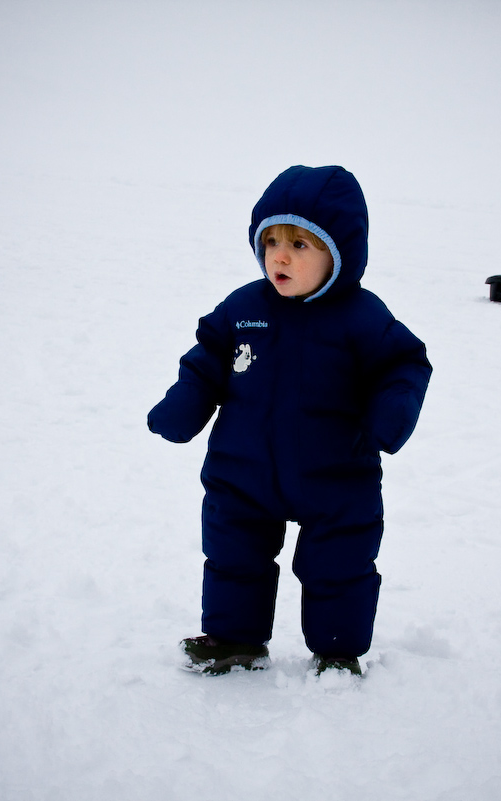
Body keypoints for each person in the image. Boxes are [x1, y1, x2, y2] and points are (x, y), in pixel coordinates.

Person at [147, 165, 432, 676]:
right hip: (244, 472)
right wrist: (187, 400)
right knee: (234, 555)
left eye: (300, 245)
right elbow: (207, 359)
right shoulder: (243, 308)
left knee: (339, 566)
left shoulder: (362, 317)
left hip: (337, 475)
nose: (279, 255)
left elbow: (403, 365)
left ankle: (338, 650)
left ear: (339, 253)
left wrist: (393, 411)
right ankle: (235, 639)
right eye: (271, 240)